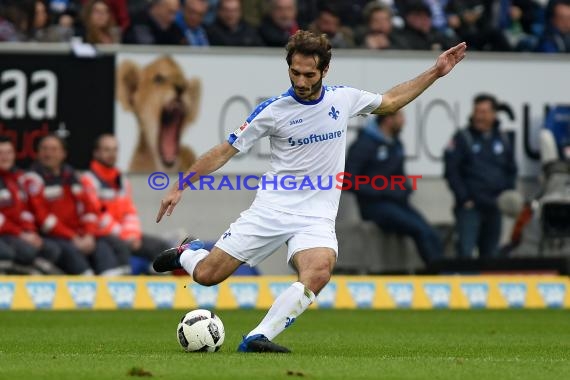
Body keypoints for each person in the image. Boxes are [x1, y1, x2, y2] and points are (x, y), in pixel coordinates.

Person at [153, 30, 467, 352]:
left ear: (324, 71)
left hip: (316, 215)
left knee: (318, 272)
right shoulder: (273, 110)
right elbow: (224, 150)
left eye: (309, 74)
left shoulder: (343, 99)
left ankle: (256, 338)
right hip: (272, 208)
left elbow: (390, 102)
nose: (301, 82)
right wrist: (180, 185)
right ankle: (188, 253)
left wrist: (436, 72)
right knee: (207, 275)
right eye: (295, 73)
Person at [345, 112, 443, 264]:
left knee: (431, 233)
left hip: (397, 203)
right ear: (388, 119)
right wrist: (382, 190)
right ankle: (438, 274)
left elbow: (398, 175)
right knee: (420, 230)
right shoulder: (363, 145)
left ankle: (446, 275)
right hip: (374, 206)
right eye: (400, 117)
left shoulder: (395, 144)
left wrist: (405, 189)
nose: (404, 121)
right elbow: (348, 181)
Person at [24, 134, 129, 275]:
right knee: (76, 259)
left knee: (109, 247)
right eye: (44, 149)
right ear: (38, 153)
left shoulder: (73, 176)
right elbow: (44, 220)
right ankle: (87, 288)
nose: (48, 154)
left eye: (54, 149)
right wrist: (72, 236)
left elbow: (90, 210)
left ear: (63, 154)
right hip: (53, 236)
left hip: (80, 235)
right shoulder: (33, 179)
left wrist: (89, 234)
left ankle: (119, 289)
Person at [81, 134, 170, 272]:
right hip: (102, 236)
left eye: (114, 150)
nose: (111, 154)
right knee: (120, 251)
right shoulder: (88, 179)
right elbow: (98, 215)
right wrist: (125, 236)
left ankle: (153, 286)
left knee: (163, 249)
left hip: (125, 235)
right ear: (96, 153)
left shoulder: (122, 179)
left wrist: (132, 234)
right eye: (106, 150)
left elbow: (130, 212)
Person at [444, 94, 518, 259]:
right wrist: (464, 199)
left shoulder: (503, 138)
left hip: (495, 207)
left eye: (484, 112)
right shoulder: (463, 138)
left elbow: (511, 170)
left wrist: (507, 195)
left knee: (491, 256)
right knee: (465, 253)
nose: (479, 116)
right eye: (477, 111)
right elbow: (451, 171)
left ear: (494, 114)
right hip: (471, 207)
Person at [0, 137, 63, 274]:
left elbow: (26, 212)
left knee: (52, 249)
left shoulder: (19, 179)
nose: (5, 157)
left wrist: (30, 232)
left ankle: (37, 283)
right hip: (6, 234)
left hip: (18, 233)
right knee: (18, 252)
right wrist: (20, 234)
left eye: (9, 152)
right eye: (1, 153)